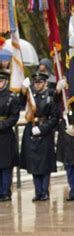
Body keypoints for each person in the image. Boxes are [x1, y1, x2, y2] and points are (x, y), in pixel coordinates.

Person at [19, 71, 60, 201]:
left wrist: (42, 129)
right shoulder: (31, 96)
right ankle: (38, 191)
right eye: (35, 82)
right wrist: (23, 90)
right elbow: (20, 103)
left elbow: (54, 118)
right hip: (31, 130)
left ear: (45, 83)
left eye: (40, 82)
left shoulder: (50, 97)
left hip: (44, 132)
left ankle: (44, 191)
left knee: (44, 163)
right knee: (33, 163)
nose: (37, 85)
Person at [0, 69, 20, 202]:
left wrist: (2, 125)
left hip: (5, 134)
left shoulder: (12, 97)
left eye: (1, 81)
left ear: (6, 82)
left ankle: (5, 191)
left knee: (6, 166)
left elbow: (14, 116)